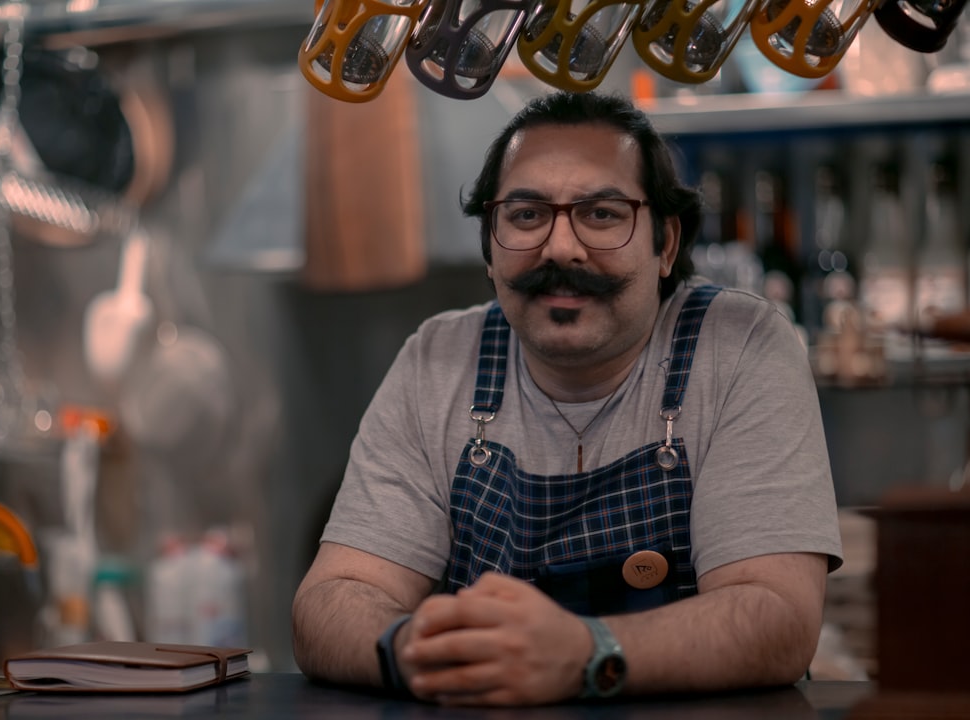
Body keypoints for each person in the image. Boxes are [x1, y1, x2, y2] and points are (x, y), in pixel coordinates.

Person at [291, 91, 843, 706]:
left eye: (602, 214)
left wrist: (584, 654)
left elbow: (777, 618)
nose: (559, 248)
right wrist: (411, 648)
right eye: (526, 215)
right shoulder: (438, 359)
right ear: (490, 246)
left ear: (664, 245)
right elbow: (329, 601)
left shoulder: (740, 346)